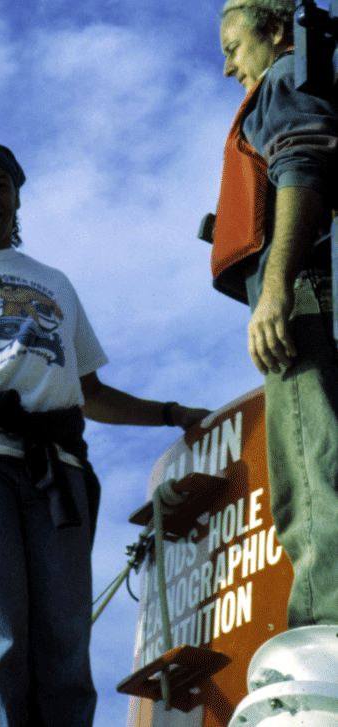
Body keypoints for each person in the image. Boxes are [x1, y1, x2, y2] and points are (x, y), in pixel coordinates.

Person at [0, 142, 210, 727]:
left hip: (58, 467)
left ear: (18, 193)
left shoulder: (54, 282)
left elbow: (90, 392)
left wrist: (172, 413)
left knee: (65, 639)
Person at [213, 0, 338, 628]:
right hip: (322, 289)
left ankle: (322, 634)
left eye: (235, 47)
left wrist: (276, 288)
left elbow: (299, 166)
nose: (231, 66)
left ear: (278, 32)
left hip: (308, 301)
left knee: (313, 478)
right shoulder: (314, 80)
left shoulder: (285, 77)